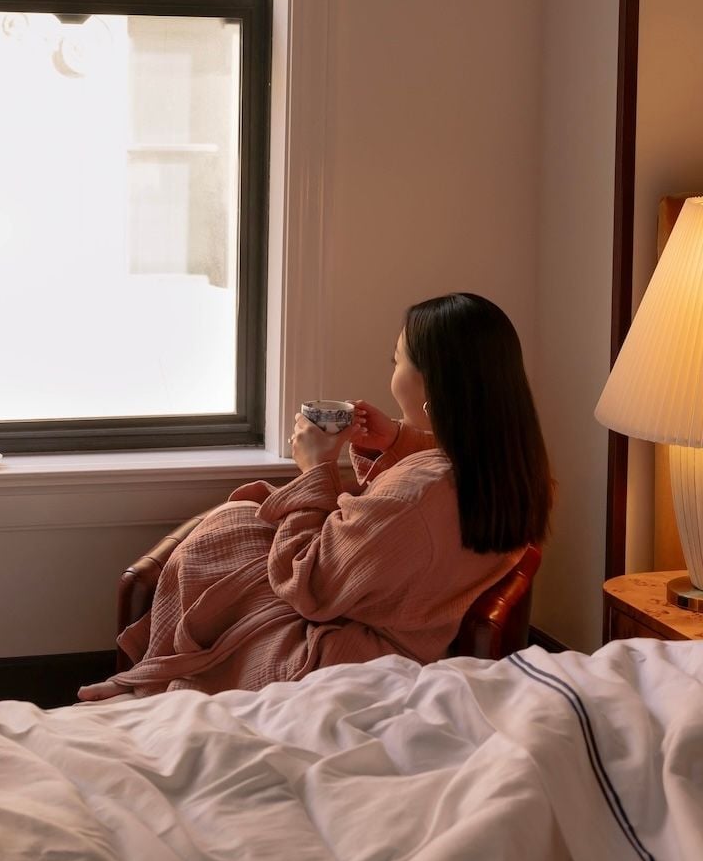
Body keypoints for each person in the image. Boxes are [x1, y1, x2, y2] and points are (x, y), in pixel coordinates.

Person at [78, 292, 553, 702]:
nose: (392, 373)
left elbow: (312, 586)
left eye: (397, 361)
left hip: (342, 651)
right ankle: (149, 676)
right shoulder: (512, 464)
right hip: (393, 614)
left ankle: (152, 683)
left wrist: (317, 468)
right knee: (240, 524)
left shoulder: (419, 496)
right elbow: (443, 471)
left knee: (225, 541)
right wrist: (396, 440)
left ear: (431, 385)